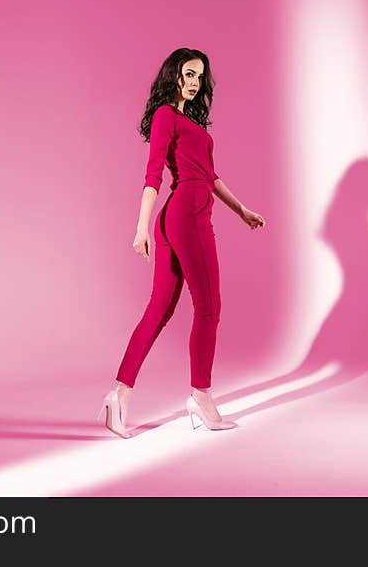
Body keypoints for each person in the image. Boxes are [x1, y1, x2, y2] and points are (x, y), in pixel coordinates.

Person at [99, 48, 266, 438]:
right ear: (172, 75)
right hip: (185, 213)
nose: (193, 82)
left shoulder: (190, 123)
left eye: (199, 77)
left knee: (159, 309)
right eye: (187, 74)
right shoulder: (165, 116)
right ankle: (201, 396)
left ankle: (118, 394)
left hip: (186, 211)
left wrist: (242, 210)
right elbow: (153, 175)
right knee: (209, 306)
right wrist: (140, 228)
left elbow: (211, 176)